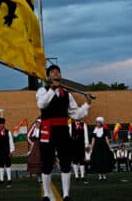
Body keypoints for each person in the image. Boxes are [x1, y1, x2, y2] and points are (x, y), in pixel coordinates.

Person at [36, 65, 92, 201]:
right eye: (53, 72)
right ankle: (47, 195)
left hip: (62, 131)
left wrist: (87, 104)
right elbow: (41, 105)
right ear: (49, 77)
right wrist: (53, 88)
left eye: (58, 72)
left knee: (66, 162)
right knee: (47, 163)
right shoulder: (42, 90)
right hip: (47, 131)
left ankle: (66, 194)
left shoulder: (67, 94)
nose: (56, 74)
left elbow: (75, 114)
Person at [0, 117, 15, 186]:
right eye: (0, 124)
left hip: (7, 151)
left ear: (4, 124)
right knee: (1, 165)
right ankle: (1, 179)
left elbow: (11, 141)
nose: (1, 125)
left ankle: (9, 179)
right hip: (0, 152)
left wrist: (11, 151)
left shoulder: (8, 132)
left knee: (8, 165)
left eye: (2, 123)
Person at [27, 117, 42, 183]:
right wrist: (31, 149)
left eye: (39, 123)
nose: (38, 124)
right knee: (36, 162)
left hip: (43, 147)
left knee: (43, 162)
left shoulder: (43, 130)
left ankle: (44, 177)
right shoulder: (35, 130)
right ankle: (39, 177)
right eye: (37, 123)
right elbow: (29, 137)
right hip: (36, 148)